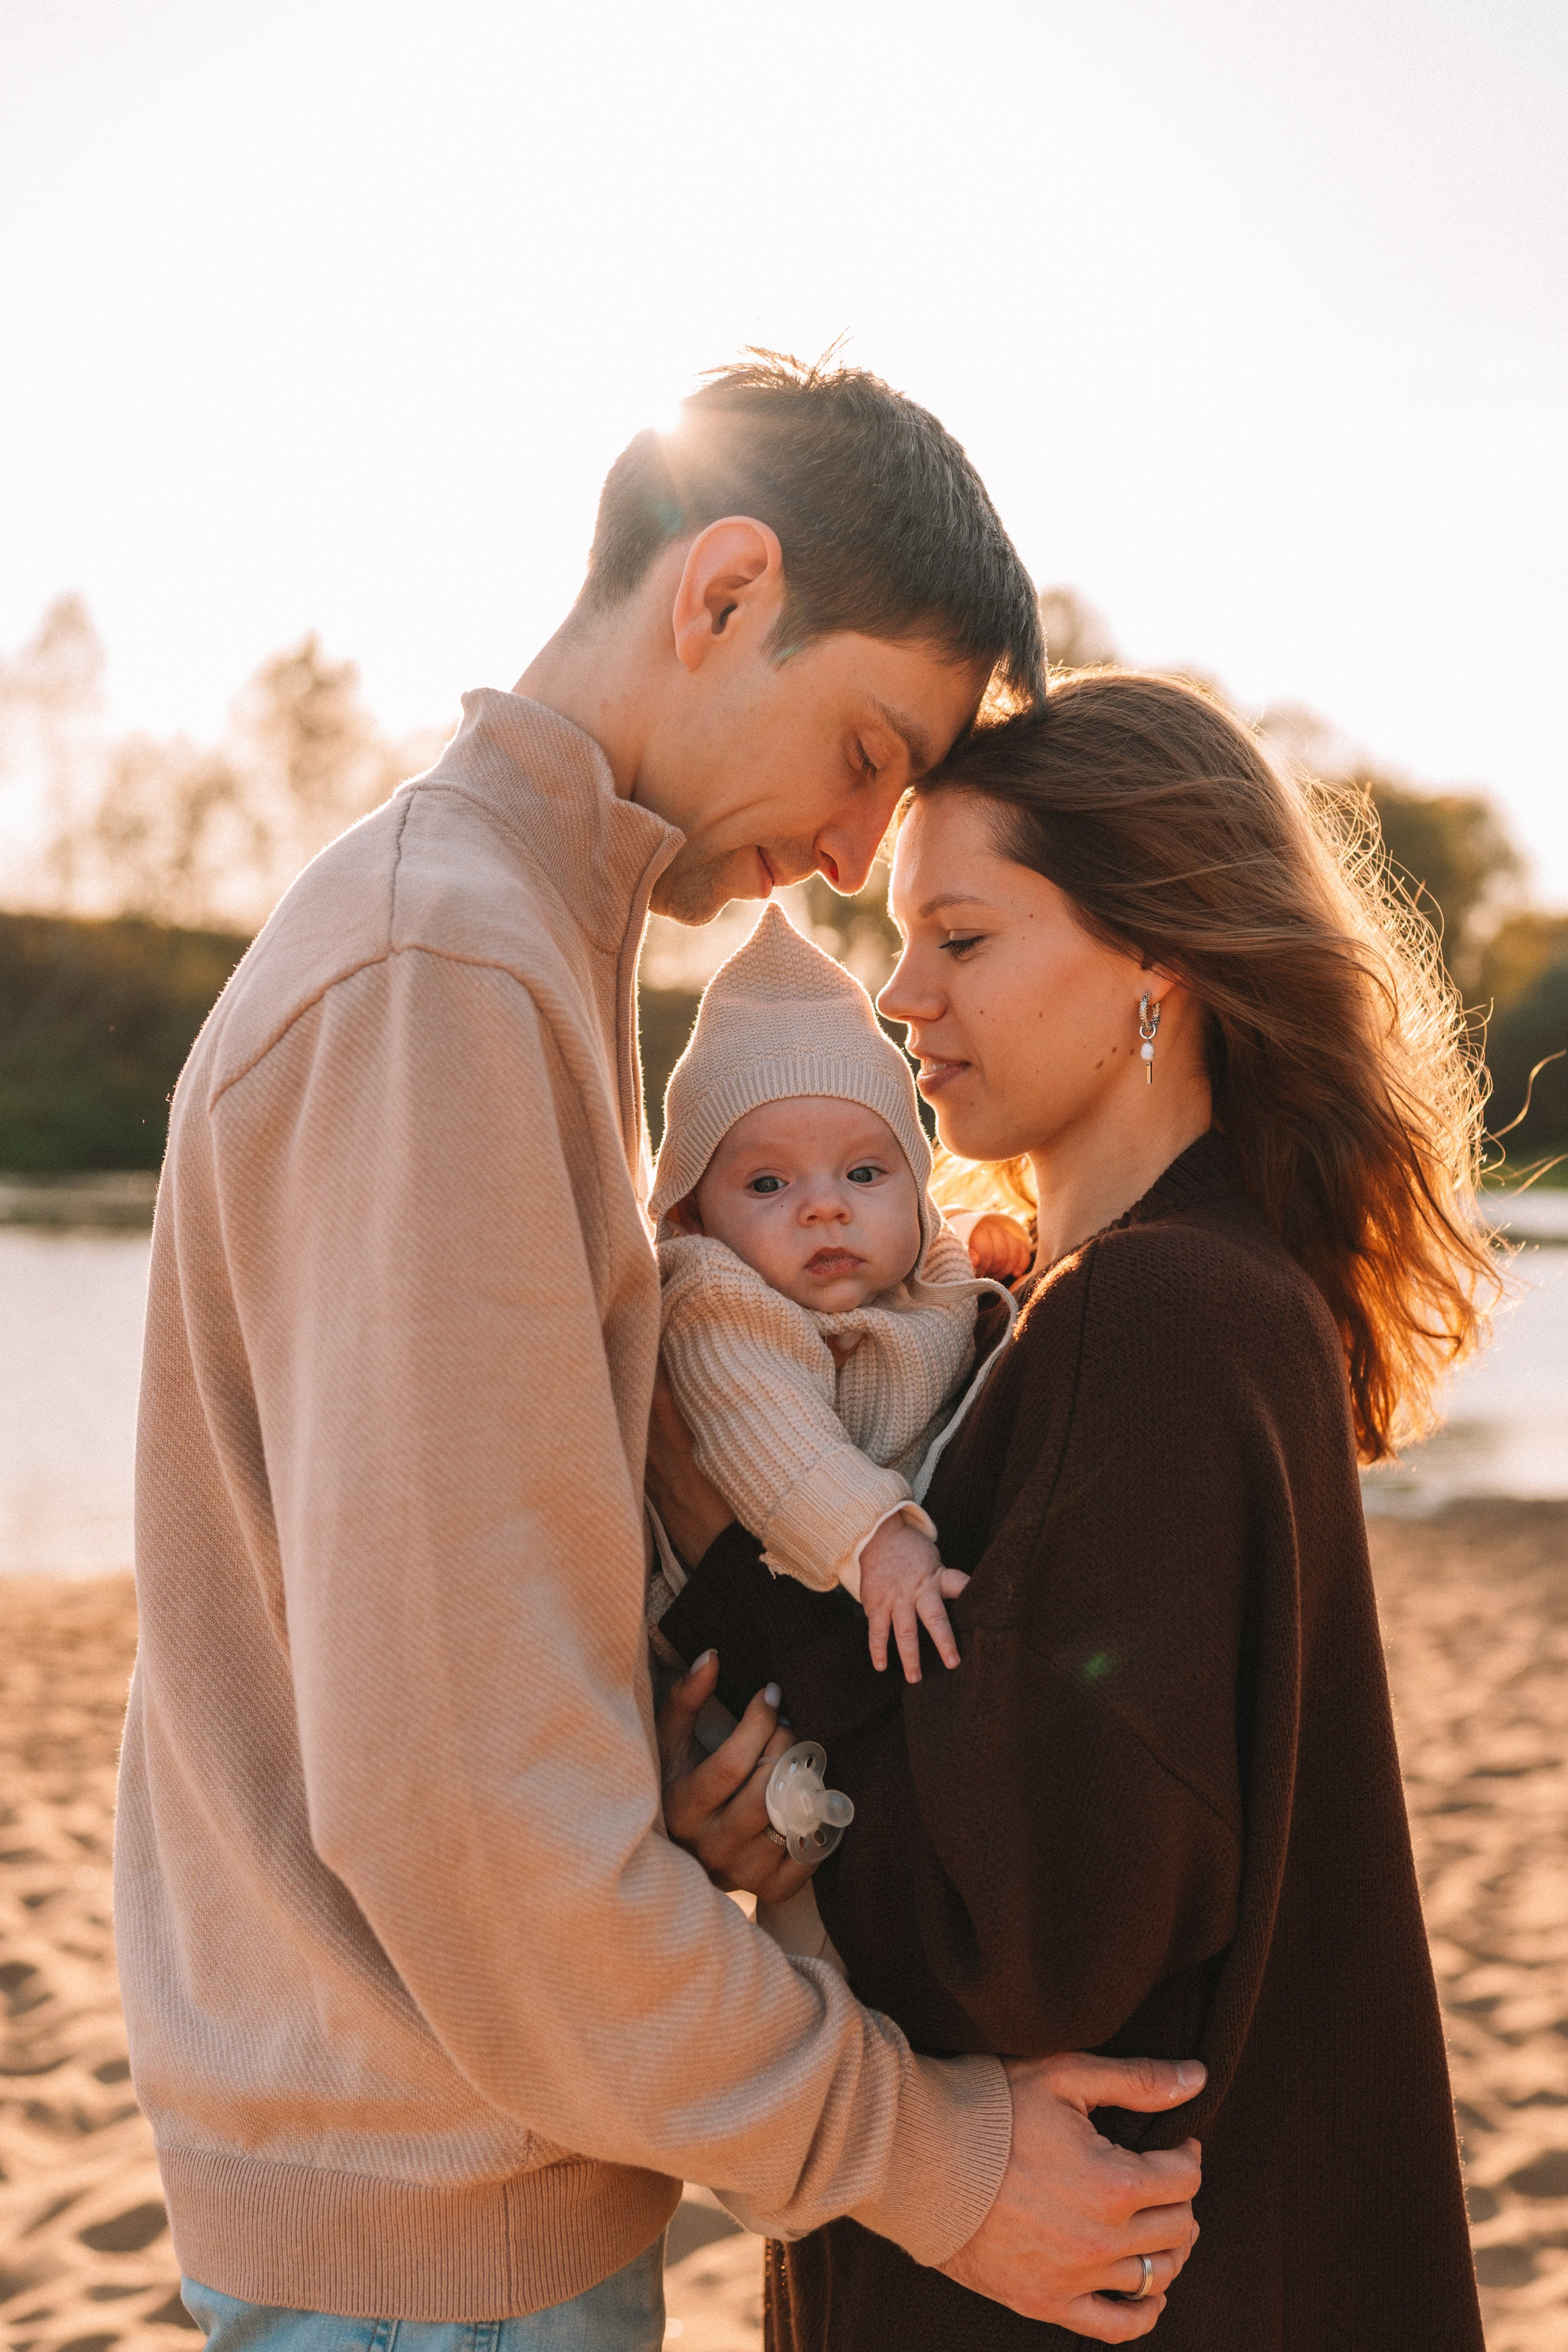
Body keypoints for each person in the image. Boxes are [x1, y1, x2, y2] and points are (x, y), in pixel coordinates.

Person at [118, 356, 1205, 2352]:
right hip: (426, 2239)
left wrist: (659, 1755)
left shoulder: (512, 943)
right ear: (719, 591)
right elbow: (466, 1812)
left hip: (456, 2177)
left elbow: (466, 1658)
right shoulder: (441, 968)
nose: (874, 839)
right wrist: (935, 2159)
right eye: (871, 746)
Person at [653, 669, 1496, 2348]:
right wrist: (773, 1814)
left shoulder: (1159, 1314)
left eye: (961, 938)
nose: (900, 993)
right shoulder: (1102, 1295)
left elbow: (1035, 1942)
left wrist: (756, 1638)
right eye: (903, 940)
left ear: (1156, 962)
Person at [649, 900, 1020, 1685]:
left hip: (853, 1637)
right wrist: (875, 1536)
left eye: (862, 1173)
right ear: (691, 1211)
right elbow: (763, 1427)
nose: (826, 1207)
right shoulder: (715, 1303)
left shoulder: (915, 1262)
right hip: (736, 1644)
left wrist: (968, 1229)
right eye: (768, 1182)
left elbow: (926, 1244)